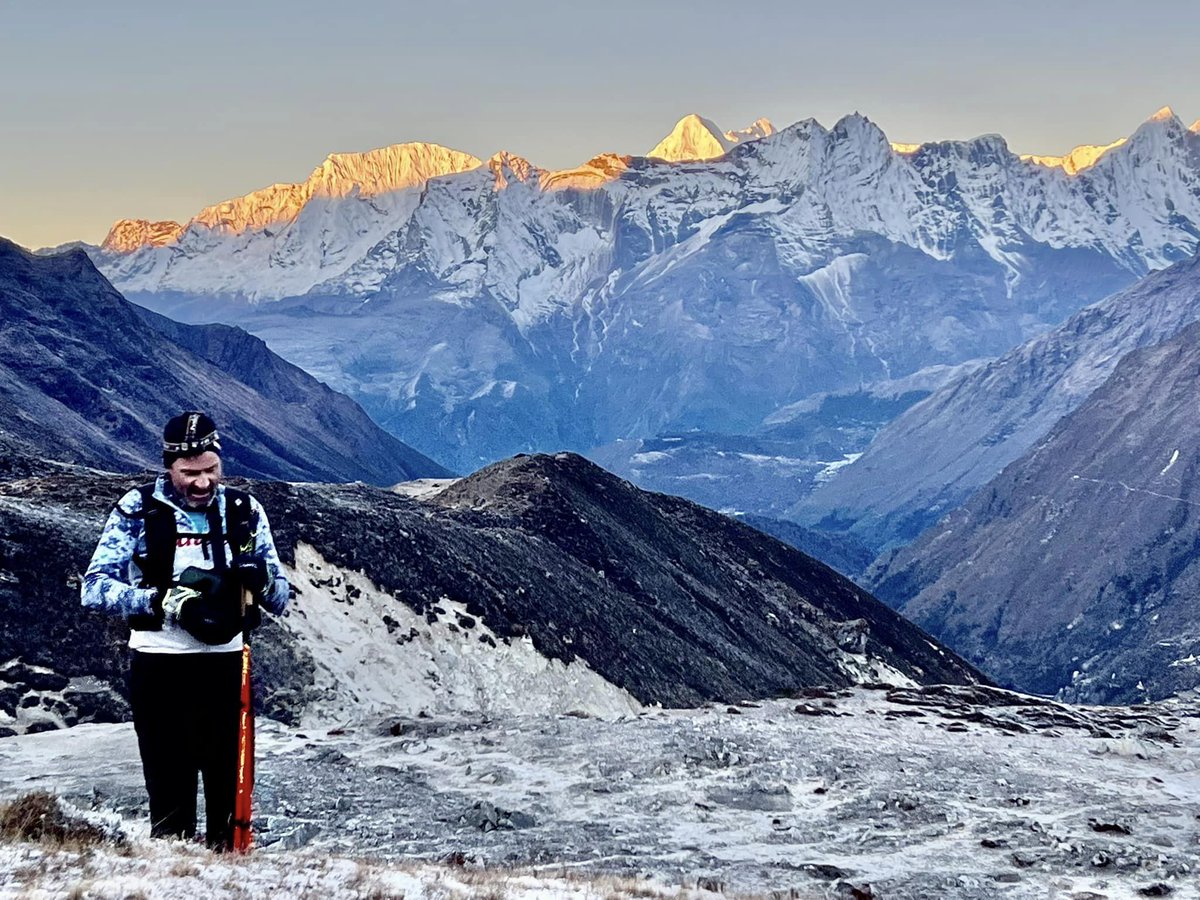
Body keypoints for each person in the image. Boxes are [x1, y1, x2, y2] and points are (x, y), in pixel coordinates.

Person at [82, 411, 289, 850]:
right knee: (170, 792)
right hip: (159, 665)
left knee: (229, 795)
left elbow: (280, 598)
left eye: (211, 470)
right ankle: (175, 878)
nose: (201, 483)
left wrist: (262, 580)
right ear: (168, 465)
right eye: (189, 473)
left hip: (227, 665)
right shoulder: (137, 509)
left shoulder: (244, 511)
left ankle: (229, 878)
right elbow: (94, 588)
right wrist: (160, 602)